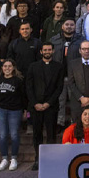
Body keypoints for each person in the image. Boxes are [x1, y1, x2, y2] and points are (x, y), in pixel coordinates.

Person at [25, 42, 65, 170]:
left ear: (53, 51)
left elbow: (59, 88)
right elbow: (28, 87)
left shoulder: (59, 67)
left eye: (49, 49)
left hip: (51, 106)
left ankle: (51, 159)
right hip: (35, 106)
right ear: (41, 52)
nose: (47, 52)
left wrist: (48, 103)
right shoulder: (33, 66)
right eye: (45, 50)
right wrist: (35, 103)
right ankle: (38, 159)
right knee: (37, 134)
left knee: (51, 133)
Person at [0, 59, 26, 171]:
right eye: (5, 66)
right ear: (2, 68)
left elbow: (23, 97)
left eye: (9, 66)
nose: (7, 68)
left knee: (14, 134)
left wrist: (25, 110)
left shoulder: (18, 81)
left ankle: (14, 158)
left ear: (13, 68)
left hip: (15, 111)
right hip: (1, 110)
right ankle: (5, 158)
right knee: (2, 135)